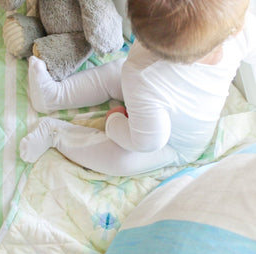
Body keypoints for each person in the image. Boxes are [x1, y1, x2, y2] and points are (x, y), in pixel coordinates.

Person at [20, 0, 255, 177]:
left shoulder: (143, 73)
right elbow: (148, 139)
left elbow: (149, 140)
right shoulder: (238, 30)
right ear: (234, 28)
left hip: (174, 138)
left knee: (122, 160)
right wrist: (120, 121)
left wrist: (118, 122)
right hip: (162, 130)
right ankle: (52, 97)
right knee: (118, 78)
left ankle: (56, 132)